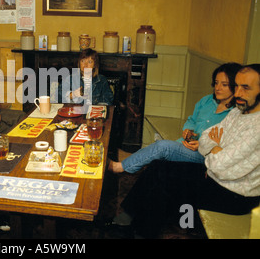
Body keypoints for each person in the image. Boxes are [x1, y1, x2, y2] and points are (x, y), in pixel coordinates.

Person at [108, 64, 260, 238]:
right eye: (237, 86)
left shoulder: (257, 127)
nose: (238, 93)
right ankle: (130, 217)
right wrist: (216, 148)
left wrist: (214, 150)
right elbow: (205, 138)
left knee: (165, 182)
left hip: (233, 196)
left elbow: (219, 164)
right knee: (158, 166)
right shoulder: (239, 113)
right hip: (214, 177)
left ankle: (141, 232)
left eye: (246, 87)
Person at [109, 62, 242, 174]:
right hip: (185, 145)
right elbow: (192, 120)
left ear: (235, 86)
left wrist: (203, 146)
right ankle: (135, 163)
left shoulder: (235, 114)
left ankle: (119, 167)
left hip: (204, 156)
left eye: (224, 85)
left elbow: (228, 148)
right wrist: (188, 130)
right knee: (158, 156)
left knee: (163, 147)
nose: (218, 88)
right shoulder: (206, 101)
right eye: (216, 83)